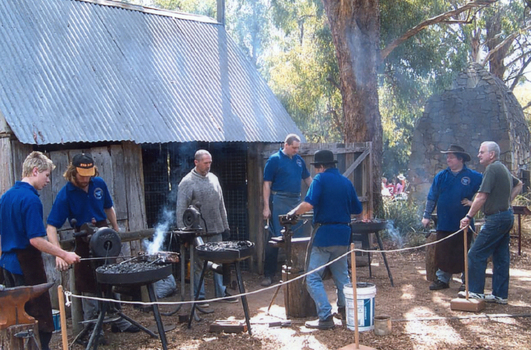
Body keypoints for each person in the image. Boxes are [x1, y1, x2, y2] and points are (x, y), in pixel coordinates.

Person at [46, 153, 138, 342]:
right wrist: (58, 253)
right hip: (84, 238)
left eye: (89, 174)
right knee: (89, 283)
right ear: (73, 172)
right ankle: (93, 327)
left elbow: (108, 207)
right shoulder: (66, 193)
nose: (86, 178)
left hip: (105, 238)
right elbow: (51, 226)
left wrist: (116, 229)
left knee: (111, 276)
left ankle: (117, 320)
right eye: (82, 175)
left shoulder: (99, 184)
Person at [0, 151, 80, 350]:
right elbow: (35, 240)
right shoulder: (30, 200)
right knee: (37, 318)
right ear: (35, 171)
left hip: (6, 266)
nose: (47, 180)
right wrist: (64, 254)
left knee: (13, 318)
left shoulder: (6, 197)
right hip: (25, 266)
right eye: (46, 175)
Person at [287, 150, 362, 330]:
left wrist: (292, 213)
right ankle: (345, 311)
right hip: (344, 235)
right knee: (341, 276)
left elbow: (308, 204)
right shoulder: (346, 182)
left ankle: (325, 316)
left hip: (324, 236)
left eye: (317, 168)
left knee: (312, 278)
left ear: (321, 167)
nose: (316, 171)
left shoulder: (320, 180)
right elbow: (357, 209)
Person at [458, 141, 522, 304]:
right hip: (506, 215)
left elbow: (481, 196)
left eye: (482, 152)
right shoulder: (502, 168)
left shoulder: (492, 168)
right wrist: (506, 201)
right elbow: (519, 184)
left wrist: (468, 217)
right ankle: (500, 295)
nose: (478, 155)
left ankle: (475, 291)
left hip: (497, 218)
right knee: (500, 256)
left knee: (476, 253)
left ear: (491, 155)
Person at [176, 149, 236, 303]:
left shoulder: (214, 179)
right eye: (205, 162)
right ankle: (199, 297)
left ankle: (221, 293)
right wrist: (184, 233)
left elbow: (221, 205)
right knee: (198, 265)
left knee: (219, 261)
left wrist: (226, 226)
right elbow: (181, 209)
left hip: (216, 228)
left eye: (210, 162)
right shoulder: (187, 182)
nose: (209, 165)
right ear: (196, 162)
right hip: (197, 233)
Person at [421, 145, 482, 291]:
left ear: (460, 159)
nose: (448, 159)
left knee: (465, 251)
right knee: (443, 252)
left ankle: (465, 281)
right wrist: (426, 215)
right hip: (444, 222)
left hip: (464, 223)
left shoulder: (473, 176)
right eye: (447, 156)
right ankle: (442, 279)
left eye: (451, 156)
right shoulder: (441, 176)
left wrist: (473, 203)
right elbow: (432, 197)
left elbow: (485, 193)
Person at [262, 134, 312, 287]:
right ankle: (268, 275)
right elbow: (266, 184)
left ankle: (296, 272)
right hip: (279, 201)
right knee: (275, 237)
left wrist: (318, 192)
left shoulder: (299, 161)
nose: (297, 150)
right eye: (294, 147)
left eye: (298, 148)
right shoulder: (274, 160)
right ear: (286, 145)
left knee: (297, 237)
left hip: (296, 202)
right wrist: (266, 207)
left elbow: (308, 180)